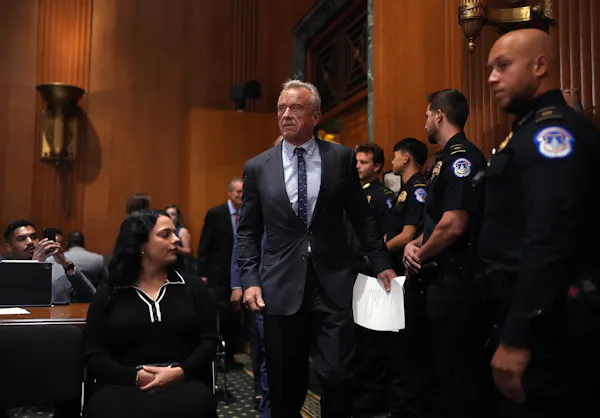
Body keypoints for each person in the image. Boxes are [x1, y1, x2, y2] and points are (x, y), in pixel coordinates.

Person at [237, 79, 396, 418]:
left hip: (333, 283)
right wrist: (249, 278)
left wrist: (381, 261)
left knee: (337, 375)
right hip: (280, 287)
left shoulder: (340, 158)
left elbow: (361, 215)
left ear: (316, 116)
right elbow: (248, 231)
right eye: (281, 108)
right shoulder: (257, 167)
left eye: (296, 108)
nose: (287, 114)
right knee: (285, 384)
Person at [479, 28, 600, 417]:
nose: (492, 77)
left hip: (551, 332)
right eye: (489, 68)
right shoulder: (526, 132)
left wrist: (518, 336)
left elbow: (549, 239)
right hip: (527, 319)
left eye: (503, 66)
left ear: (540, 65)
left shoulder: (553, 135)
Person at [84, 210, 218, 418]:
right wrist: (135, 377)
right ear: (141, 245)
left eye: (174, 233)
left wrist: (180, 372)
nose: (176, 239)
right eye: (165, 235)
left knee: (198, 403)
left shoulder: (191, 286)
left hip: (183, 381)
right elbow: (94, 354)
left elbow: (209, 341)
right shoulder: (110, 292)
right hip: (123, 384)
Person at [403, 89, 487, 418]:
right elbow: (434, 220)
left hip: (455, 282)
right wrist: (415, 243)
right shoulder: (442, 161)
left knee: (454, 376)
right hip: (435, 281)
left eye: (426, 115)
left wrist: (419, 252)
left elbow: (454, 224)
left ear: (439, 115)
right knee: (432, 371)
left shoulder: (462, 157)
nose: (424, 122)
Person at [384, 137, 430, 418]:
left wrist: (374, 252)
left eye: (395, 156)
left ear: (407, 158)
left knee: (404, 349)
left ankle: (405, 408)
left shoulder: (417, 189)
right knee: (393, 347)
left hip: (405, 276)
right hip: (395, 275)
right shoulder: (403, 190)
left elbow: (408, 235)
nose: (392, 162)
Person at [350, 142, 395, 417]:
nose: (357, 166)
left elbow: (387, 236)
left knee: (374, 343)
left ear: (377, 166)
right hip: (354, 272)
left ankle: (374, 403)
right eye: (356, 162)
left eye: (363, 162)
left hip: (374, 274)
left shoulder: (383, 195)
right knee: (357, 341)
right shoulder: (355, 193)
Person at [196, 178, 244, 368]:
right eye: (238, 192)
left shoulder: (249, 213)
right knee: (221, 317)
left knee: (235, 320)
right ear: (230, 194)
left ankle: (231, 356)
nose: (241, 195)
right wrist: (203, 273)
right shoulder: (216, 213)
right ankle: (217, 358)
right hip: (219, 275)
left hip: (241, 274)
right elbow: (204, 244)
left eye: (243, 192)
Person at [3, 220, 95, 304]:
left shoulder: (57, 267)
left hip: (59, 320)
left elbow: (91, 297)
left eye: (34, 237)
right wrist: (35, 266)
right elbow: (17, 301)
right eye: (22, 239)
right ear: (9, 247)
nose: (30, 242)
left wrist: (67, 265)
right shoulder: (4, 270)